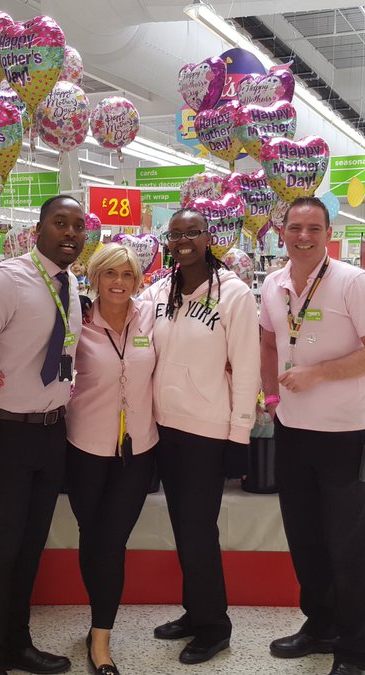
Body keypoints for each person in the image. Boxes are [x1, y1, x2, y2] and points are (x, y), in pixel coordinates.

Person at [0, 244, 158, 675]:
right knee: (91, 534)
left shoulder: (153, 318)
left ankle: (101, 639)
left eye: (129, 275)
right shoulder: (75, 320)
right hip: (83, 448)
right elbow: (28, 351)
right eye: (110, 274)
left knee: (113, 540)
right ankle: (2, 646)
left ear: (138, 281)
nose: (119, 283)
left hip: (138, 451)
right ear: (94, 278)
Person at [257, 197, 365, 675]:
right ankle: (319, 626)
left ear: (327, 231)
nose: (303, 236)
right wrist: (272, 399)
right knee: (305, 538)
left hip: (344, 433)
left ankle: (355, 649)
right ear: (283, 230)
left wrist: (319, 375)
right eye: (295, 227)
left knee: (348, 542)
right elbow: (268, 341)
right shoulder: (273, 284)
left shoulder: (355, 283)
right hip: (292, 430)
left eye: (313, 227)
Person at [0, 194, 87, 675]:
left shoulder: (70, 284)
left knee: (31, 547)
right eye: (59, 223)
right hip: (6, 434)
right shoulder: (6, 281)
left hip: (52, 436)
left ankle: (18, 643)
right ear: (39, 229)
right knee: (1, 547)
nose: (70, 233)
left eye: (78, 225)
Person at [141, 208, 261, 666]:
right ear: (167, 242)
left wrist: (239, 435)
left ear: (210, 237)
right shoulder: (160, 289)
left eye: (193, 232)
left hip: (207, 433)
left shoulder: (234, 295)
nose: (184, 240)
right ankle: (195, 613)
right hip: (164, 428)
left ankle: (215, 627)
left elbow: (247, 368)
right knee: (184, 529)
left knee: (198, 533)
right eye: (176, 234)